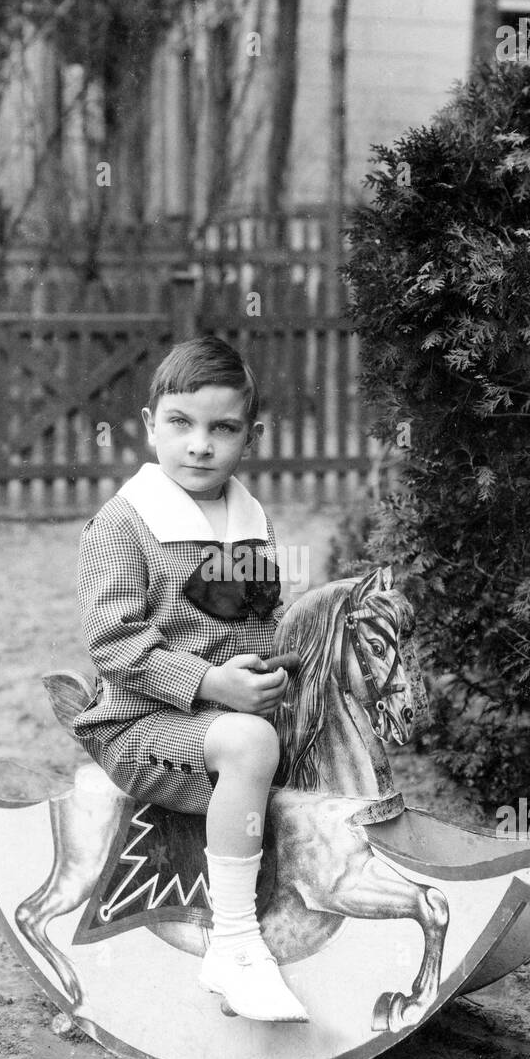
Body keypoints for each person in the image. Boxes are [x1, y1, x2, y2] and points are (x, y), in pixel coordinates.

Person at [72, 336, 308, 1023]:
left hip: (223, 715)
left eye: (222, 428)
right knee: (250, 747)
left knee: (311, 734)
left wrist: (281, 672)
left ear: (251, 436)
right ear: (150, 425)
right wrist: (212, 685)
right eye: (181, 423)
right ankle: (233, 944)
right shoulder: (124, 525)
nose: (199, 445)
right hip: (140, 726)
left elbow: (265, 623)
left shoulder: (250, 520)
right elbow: (112, 643)